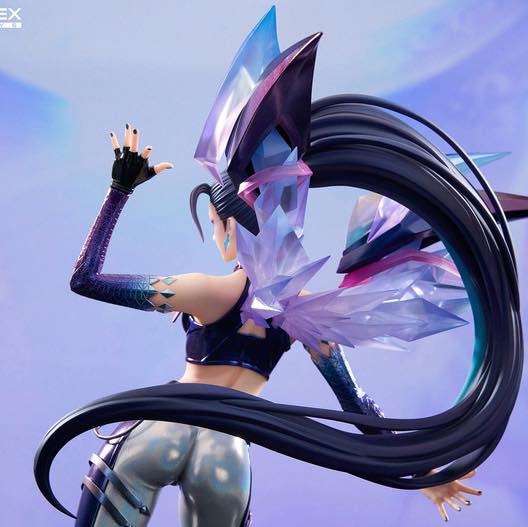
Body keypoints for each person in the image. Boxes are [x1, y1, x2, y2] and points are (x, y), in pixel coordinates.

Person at [34, 7, 526, 526]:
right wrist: (424, 475)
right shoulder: (307, 318)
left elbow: (86, 279)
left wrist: (119, 192)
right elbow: (357, 407)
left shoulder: (208, 293)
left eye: (218, 225)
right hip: (225, 453)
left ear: (227, 231)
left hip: (162, 428)